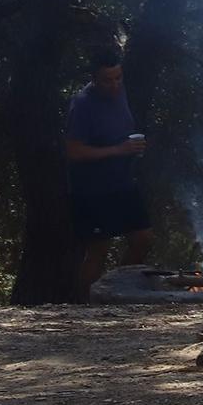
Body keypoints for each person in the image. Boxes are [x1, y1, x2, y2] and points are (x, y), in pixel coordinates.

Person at [65, 48, 152, 295]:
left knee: (143, 238)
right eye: (108, 80)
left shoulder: (120, 92)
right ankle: (84, 306)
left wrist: (133, 148)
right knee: (98, 249)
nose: (114, 85)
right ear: (94, 78)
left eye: (118, 78)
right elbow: (74, 151)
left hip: (122, 182)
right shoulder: (82, 104)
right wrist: (118, 149)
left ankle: (115, 291)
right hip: (91, 188)